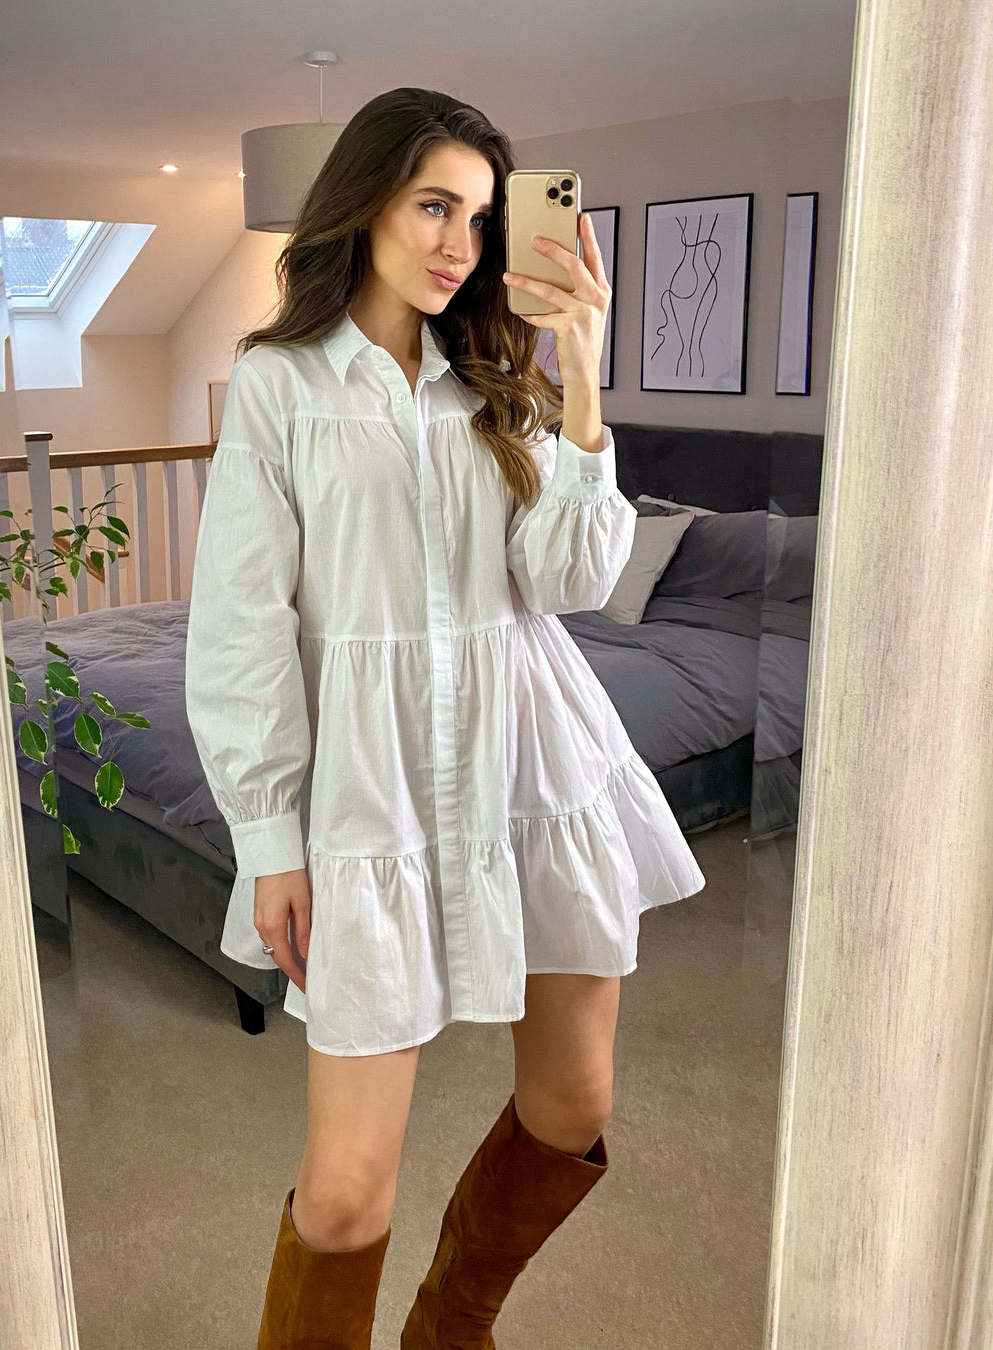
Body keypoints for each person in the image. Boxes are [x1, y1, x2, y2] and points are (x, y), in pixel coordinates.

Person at [184, 86, 706, 1350]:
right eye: (434, 206)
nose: (459, 244)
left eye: (479, 216)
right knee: (345, 1196)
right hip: (371, 793)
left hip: (538, 764)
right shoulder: (277, 385)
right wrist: (271, 839)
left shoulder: (497, 387)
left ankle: (450, 1329)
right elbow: (243, 626)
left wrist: (581, 372)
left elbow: (571, 581)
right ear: (364, 202)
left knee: (574, 1106)